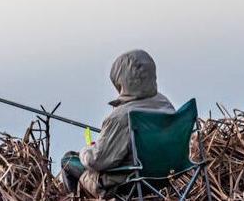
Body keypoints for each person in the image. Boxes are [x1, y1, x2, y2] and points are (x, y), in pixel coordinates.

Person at [59, 49, 175, 197]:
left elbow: (97, 161)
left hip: (130, 182)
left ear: (121, 81)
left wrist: (86, 151)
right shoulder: (164, 104)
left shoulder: (122, 116)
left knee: (68, 159)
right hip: (164, 176)